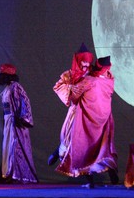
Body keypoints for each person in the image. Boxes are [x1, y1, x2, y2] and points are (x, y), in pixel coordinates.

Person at [51, 47, 119, 188]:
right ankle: (59, 152)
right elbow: (60, 87)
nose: (86, 65)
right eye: (83, 62)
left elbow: (97, 82)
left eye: (88, 62)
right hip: (79, 113)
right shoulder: (70, 75)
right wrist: (70, 89)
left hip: (89, 113)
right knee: (74, 140)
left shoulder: (92, 75)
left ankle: (60, 153)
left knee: (89, 144)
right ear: (77, 61)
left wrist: (77, 91)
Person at [0, 63, 38, 184]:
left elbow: (24, 102)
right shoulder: (7, 88)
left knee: (15, 146)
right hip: (8, 120)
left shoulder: (15, 87)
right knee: (8, 146)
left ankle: (17, 174)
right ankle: (7, 172)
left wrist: (21, 118)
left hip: (15, 121)